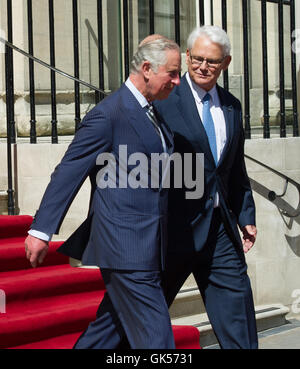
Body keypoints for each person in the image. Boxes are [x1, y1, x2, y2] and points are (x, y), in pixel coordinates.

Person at [24, 37, 181, 349]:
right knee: (157, 339)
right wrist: (41, 230)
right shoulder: (109, 114)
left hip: (150, 243)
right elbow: (69, 171)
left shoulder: (154, 112)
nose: (177, 81)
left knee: (108, 331)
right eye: (173, 73)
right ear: (147, 69)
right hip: (125, 246)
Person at [155, 25, 258, 349]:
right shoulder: (164, 100)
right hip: (173, 231)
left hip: (219, 231)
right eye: (196, 58)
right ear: (186, 57)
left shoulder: (231, 105)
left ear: (225, 63)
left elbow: (233, 169)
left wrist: (245, 215)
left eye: (211, 61)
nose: (202, 66)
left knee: (238, 318)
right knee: (137, 315)